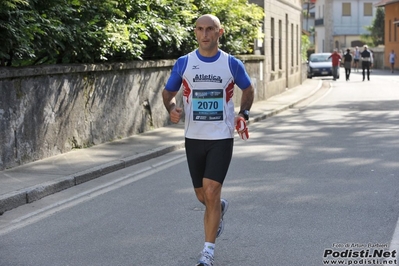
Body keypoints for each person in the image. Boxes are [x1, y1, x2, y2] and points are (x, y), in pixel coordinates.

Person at [162, 14, 254, 266]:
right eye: (200, 29)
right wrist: (171, 108)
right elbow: (168, 92)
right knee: (203, 196)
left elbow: (248, 89)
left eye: (210, 29)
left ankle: (207, 253)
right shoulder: (184, 63)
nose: (205, 34)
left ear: (219, 32)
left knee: (212, 190)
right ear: (195, 32)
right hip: (193, 137)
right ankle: (220, 208)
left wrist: (243, 113)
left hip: (221, 137)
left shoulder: (231, 64)